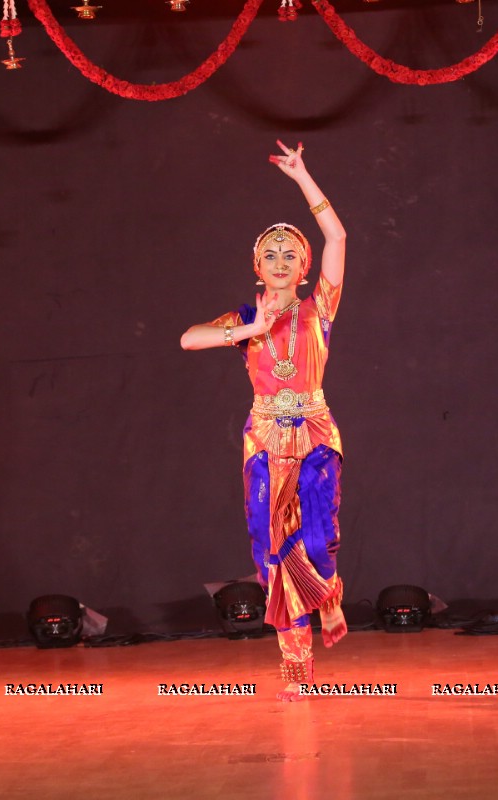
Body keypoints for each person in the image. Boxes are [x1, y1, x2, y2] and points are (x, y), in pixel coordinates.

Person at [181, 140, 348, 701]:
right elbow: (188, 339)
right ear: (258, 267)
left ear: (304, 267)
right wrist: (245, 332)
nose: (280, 261)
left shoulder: (318, 307)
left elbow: (339, 238)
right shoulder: (245, 317)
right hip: (263, 439)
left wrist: (303, 178)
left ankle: (327, 595)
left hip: (316, 434)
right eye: (270, 254)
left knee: (319, 541)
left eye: (290, 253)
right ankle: (296, 672)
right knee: (271, 548)